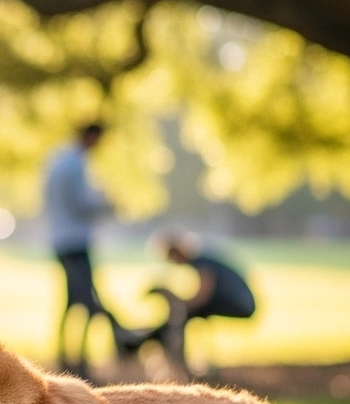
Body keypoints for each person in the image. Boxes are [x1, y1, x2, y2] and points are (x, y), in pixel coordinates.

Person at [43, 122, 121, 374]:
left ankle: (67, 356)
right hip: (75, 241)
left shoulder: (57, 159)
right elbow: (82, 202)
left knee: (72, 300)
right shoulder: (74, 163)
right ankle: (80, 361)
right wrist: (109, 203)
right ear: (91, 136)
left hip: (61, 239)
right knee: (86, 300)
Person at [124, 228, 256, 375]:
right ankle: (188, 361)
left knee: (184, 316)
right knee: (187, 314)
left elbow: (204, 293)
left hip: (240, 304)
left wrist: (183, 306)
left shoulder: (201, 262)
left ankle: (181, 363)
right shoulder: (202, 260)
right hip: (238, 302)